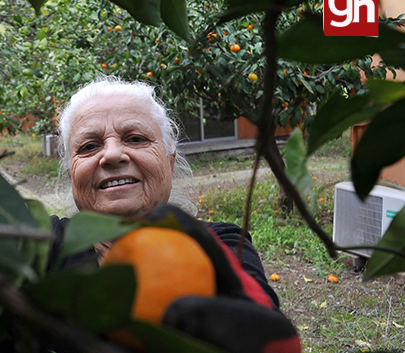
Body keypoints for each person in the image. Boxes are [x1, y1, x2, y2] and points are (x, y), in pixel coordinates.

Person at [47, 78, 300, 353]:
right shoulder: (42, 245)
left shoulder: (219, 244)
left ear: (170, 160)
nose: (112, 154)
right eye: (88, 146)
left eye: (135, 139)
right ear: (72, 172)